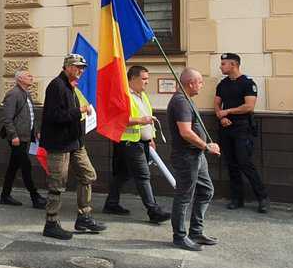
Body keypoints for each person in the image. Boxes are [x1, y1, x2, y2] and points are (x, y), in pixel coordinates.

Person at [40, 53, 105, 240]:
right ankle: (51, 224)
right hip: (59, 144)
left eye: (83, 68)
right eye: (77, 67)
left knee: (88, 175)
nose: (81, 71)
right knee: (57, 184)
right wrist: (80, 111)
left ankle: (84, 217)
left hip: (75, 142)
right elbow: (55, 116)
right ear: (67, 67)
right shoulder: (57, 86)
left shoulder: (70, 87)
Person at [103, 65, 171, 223]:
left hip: (140, 142)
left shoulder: (142, 95)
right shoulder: (123, 95)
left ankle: (111, 203)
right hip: (130, 142)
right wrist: (140, 121)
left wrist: (151, 138)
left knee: (123, 174)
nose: (147, 82)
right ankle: (153, 211)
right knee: (143, 175)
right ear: (133, 79)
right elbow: (116, 119)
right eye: (144, 79)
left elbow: (149, 118)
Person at [168, 69, 219, 251]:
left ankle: (196, 231)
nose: (201, 85)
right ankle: (179, 236)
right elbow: (186, 132)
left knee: (206, 190)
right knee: (184, 196)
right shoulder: (180, 101)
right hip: (186, 157)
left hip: (196, 155)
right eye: (200, 82)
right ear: (190, 83)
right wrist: (206, 146)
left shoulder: (187, 100)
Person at [215, 53, 268, 213]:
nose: (221, 66)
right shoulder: (222, 84)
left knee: (245, 162)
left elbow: (249, 106)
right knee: (231, 164)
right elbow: (217, 104)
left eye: (224, 64)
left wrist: (227, 111)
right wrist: (221, 116)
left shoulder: (247, 83)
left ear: (233, 65)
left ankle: (262, 198)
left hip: (242, 128)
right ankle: (237, 199)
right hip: (226, 127)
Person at [0, 69, 45, 208]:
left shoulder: (26, 93)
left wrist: (35, 131)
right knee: (26, 166)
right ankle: (35, 197)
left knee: (13, 167)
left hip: (25, 137)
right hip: (17, 138)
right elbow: (7, 118)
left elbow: (31, 115)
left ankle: (5, 196)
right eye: (28, 76)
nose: (31, 77)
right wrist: (13, 136)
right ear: (20, 80)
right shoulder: (13, 94)